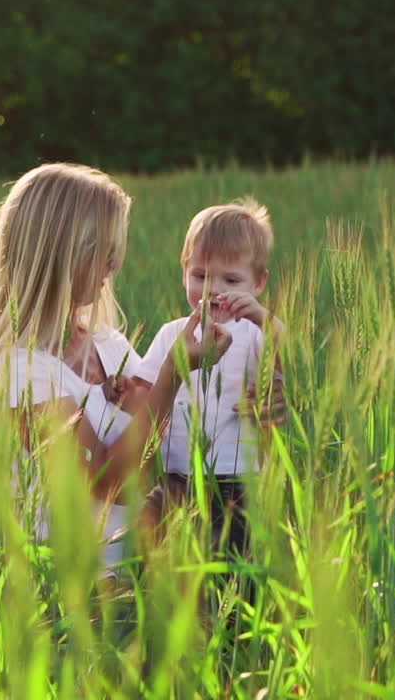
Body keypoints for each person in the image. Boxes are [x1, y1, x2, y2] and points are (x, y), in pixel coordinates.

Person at [0, 163, 253, 571]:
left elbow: (169, 429)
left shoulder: (108, 345)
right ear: (62, 253)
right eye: (105, 252)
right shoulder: (15, 374)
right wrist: (174, 370)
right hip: (70, 603)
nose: (114, 267)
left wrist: (250, 410)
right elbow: (112, 484)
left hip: (142, 586)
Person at [133, 198, 285, 557]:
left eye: (231, 279)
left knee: (232, 566)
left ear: (259, 283)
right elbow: (145, 389)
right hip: (176, 479)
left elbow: (294, 359)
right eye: (200, 275)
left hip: (238, 484)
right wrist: (123, 387)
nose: (212, 289)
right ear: (184, 271)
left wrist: (265, 319)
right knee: (155, 551)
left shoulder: (256, 333)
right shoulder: (174, 334)